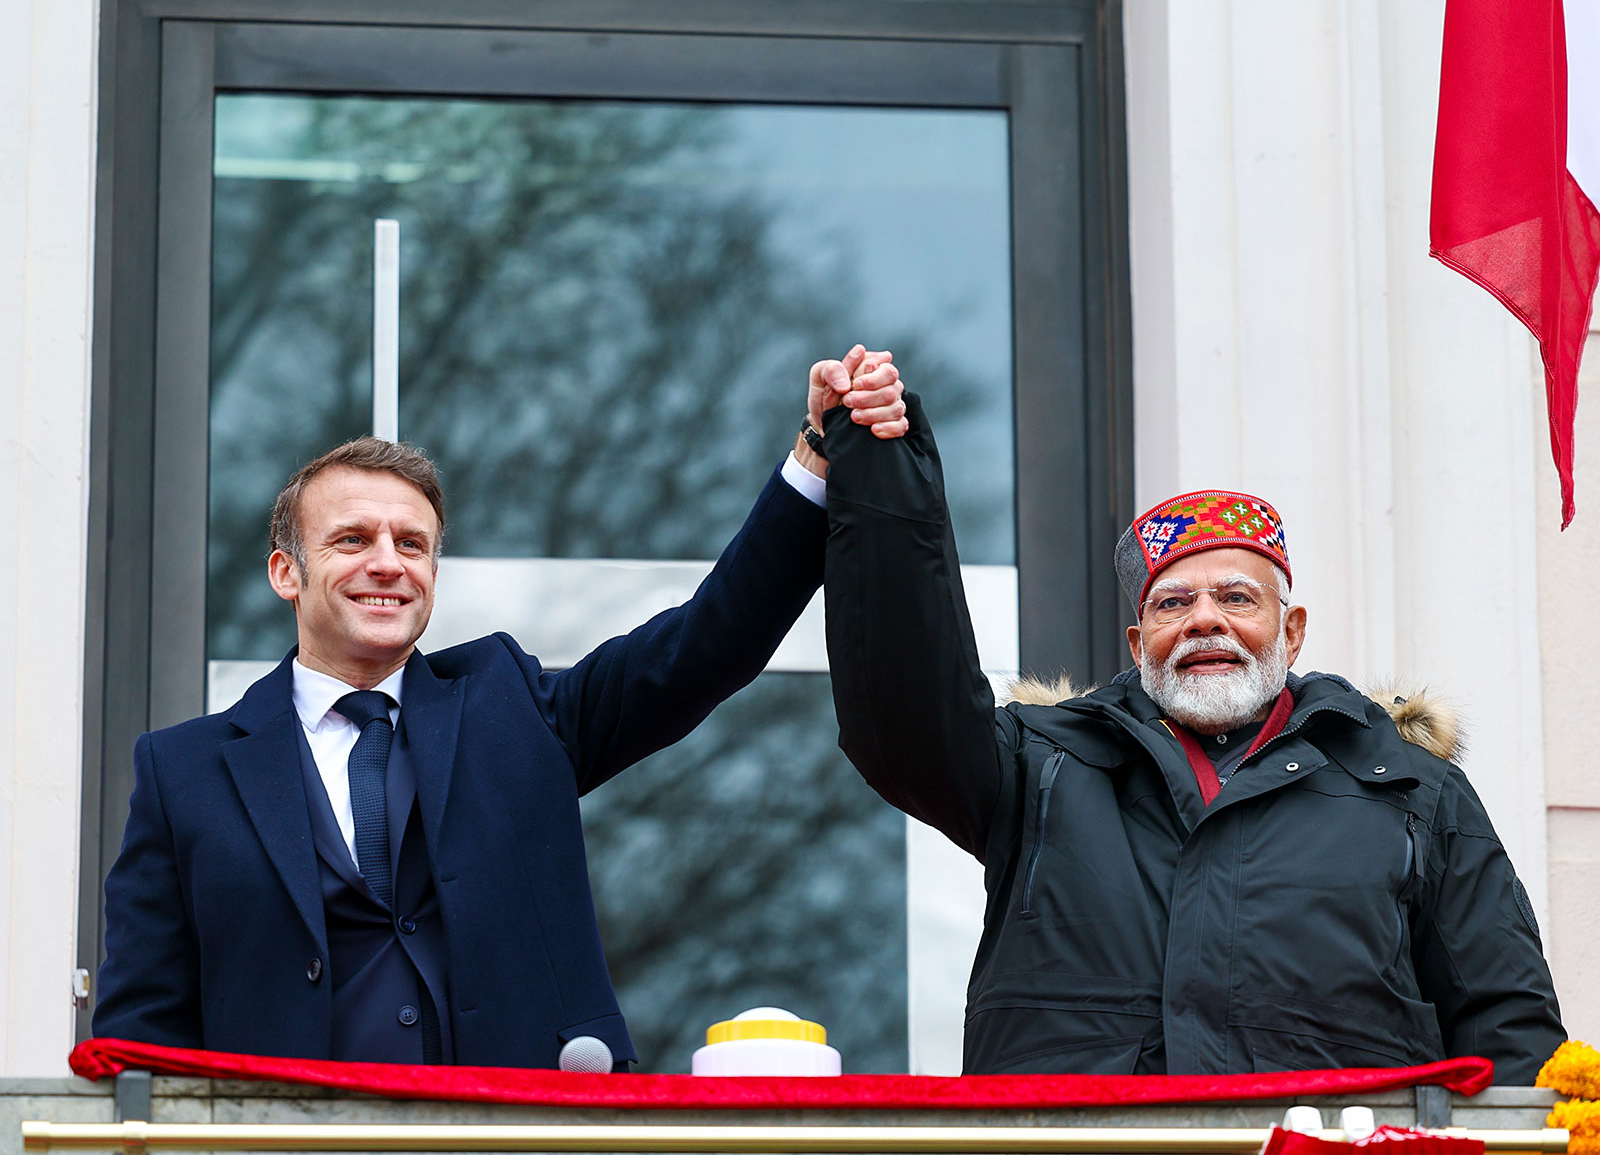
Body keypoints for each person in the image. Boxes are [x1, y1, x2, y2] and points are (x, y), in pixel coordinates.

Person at [93, 351, 905, 1069]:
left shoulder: (511, 706)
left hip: (520, 1132)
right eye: (352, 540)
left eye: (412, 545)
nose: (388, 563)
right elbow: (142, 1036)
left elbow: (703, 646)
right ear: (285, 573)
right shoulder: (184, 772)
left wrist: (816, 460)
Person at [820, 383, 1565, 1083]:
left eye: (1237, 597)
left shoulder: (1412, 789)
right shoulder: (1035, 767)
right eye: (1174, 603)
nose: (1206, 618)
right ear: (1140, 645)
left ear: (1291, 632)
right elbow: (904, 711)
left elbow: (1506, 1025)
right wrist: (885, 476)